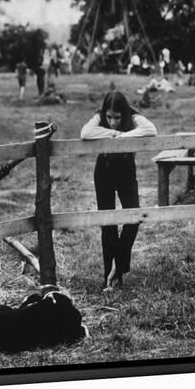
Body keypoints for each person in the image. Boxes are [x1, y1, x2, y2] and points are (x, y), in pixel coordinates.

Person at [80, 91, 157, 290]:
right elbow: (85, 133)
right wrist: (112, 134)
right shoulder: (99, 116)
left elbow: (151, 129)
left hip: (126, 170)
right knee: (108, 224)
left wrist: (123, 136)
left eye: (117, 117)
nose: (112, 121)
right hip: (104, 170)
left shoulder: (133, 116)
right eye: (109, 117)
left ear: (124, 113)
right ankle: (111, 279)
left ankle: (118, 265)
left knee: (134, 217)